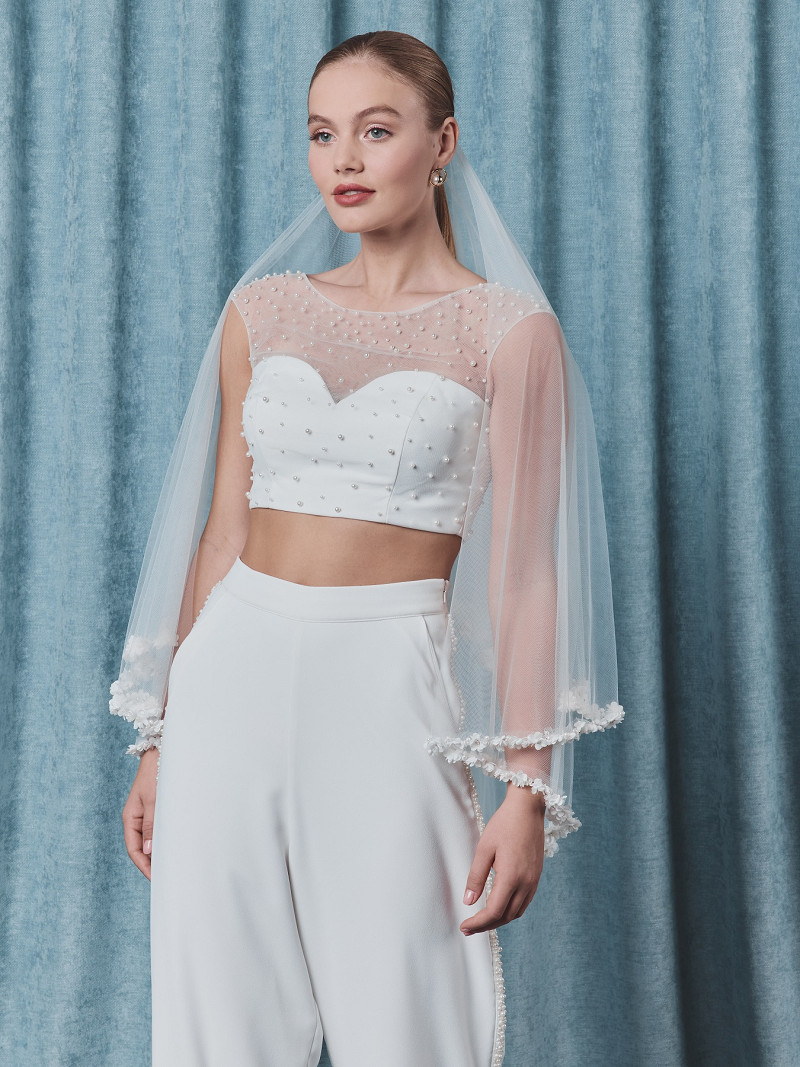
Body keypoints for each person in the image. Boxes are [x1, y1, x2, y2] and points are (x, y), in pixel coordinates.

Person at [110, 30, 624, 1067]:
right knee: (216, 1021)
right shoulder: (260, 311)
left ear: (442, 144)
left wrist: (528, 789)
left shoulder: (508, 332)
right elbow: (223, 532)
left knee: (409, 1019)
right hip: (228, 681)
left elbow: (527, 574)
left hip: (390, 682)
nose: (342, 159)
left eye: (375, 131)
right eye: (321, 134)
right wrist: (160, 736)